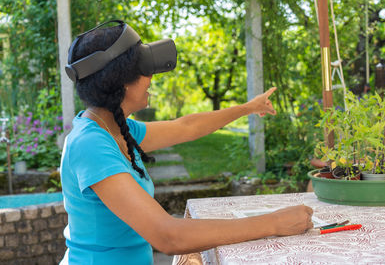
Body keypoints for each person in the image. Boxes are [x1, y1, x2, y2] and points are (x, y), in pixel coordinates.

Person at [59, 20, 313, 265]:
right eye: (144, 70)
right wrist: (273, 223)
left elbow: (187, 127)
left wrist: (249, 107)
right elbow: (168, 235)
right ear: (120, 81)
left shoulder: (117, 128)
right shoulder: (90, 144)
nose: (151, 78)